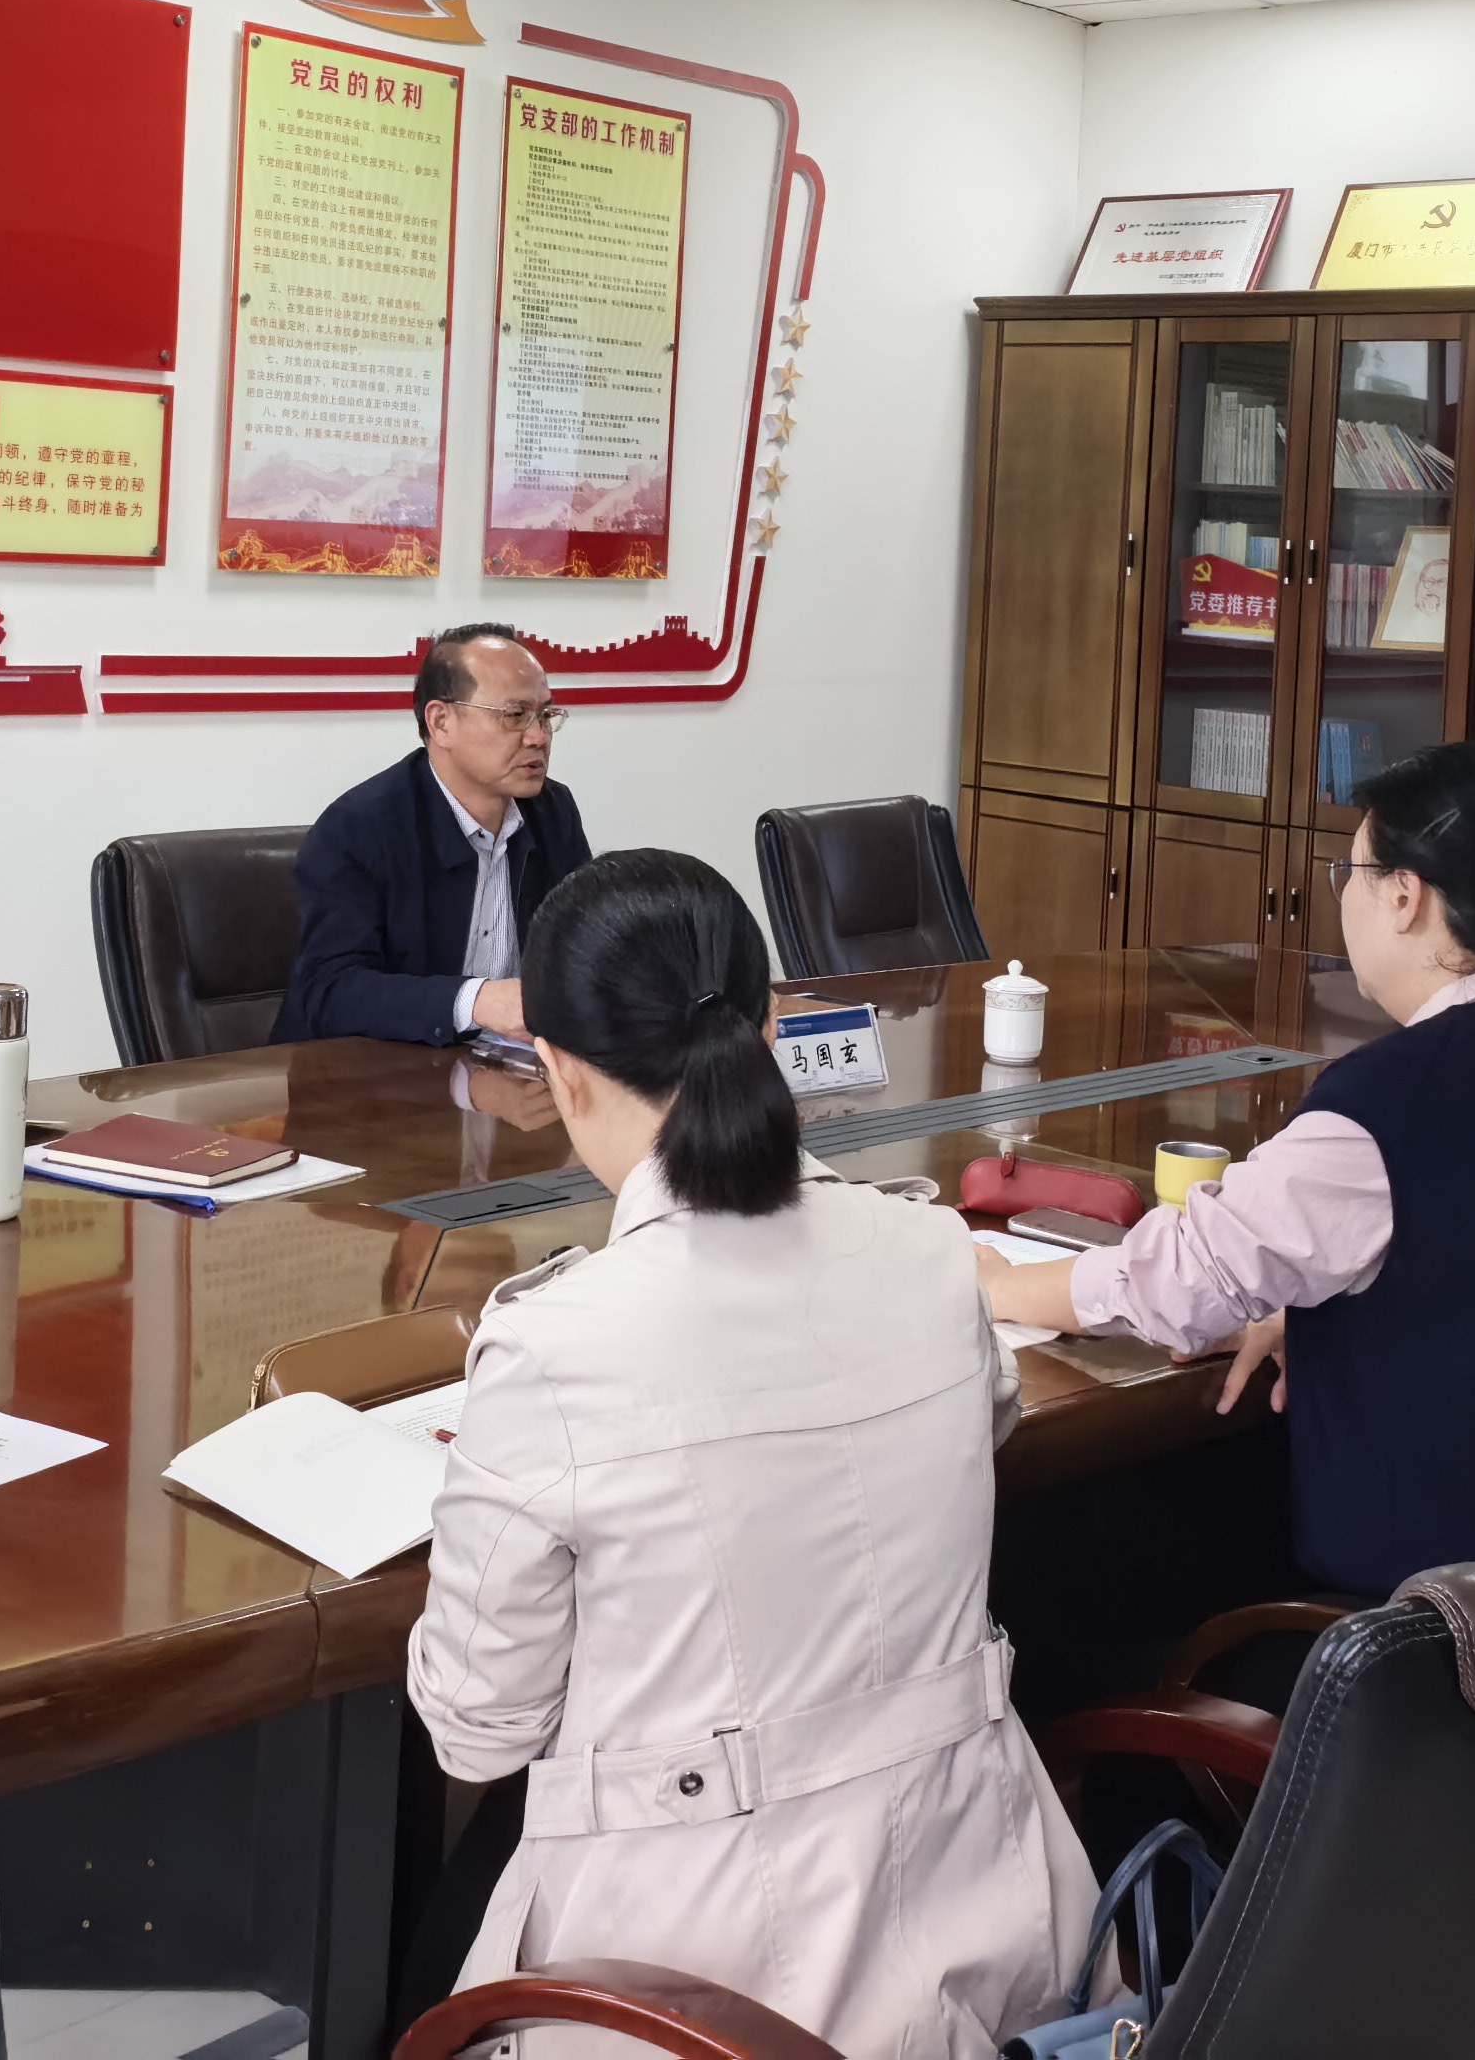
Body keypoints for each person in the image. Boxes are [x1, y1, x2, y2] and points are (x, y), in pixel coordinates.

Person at [407, 850, 1090, 2057]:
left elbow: (478, 1732)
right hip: (985, 1934)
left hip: (682, 1989)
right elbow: (976, 1427)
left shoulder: (554, 1345)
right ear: (772, 1025)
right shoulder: (933, 1254)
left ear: (557, 1071)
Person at [979, 745, 1475, 1600]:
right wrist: (1320, 1309)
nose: (1343, 897)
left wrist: (998, 1288)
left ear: (1404, 896)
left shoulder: (1384, 1103)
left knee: (1096, 1550)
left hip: (1446, 1610)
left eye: (1349, 873)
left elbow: (1175, 1283)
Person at [277, 622, 594, 1048]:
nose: (537, 737)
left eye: (546, 715)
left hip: (508, 1065)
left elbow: (585, 950)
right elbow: (329, 992)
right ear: (441, 722)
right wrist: (476, 1001)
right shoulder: (359, 827)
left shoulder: (552, 812)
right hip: (377, 1074)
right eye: (515, 715)